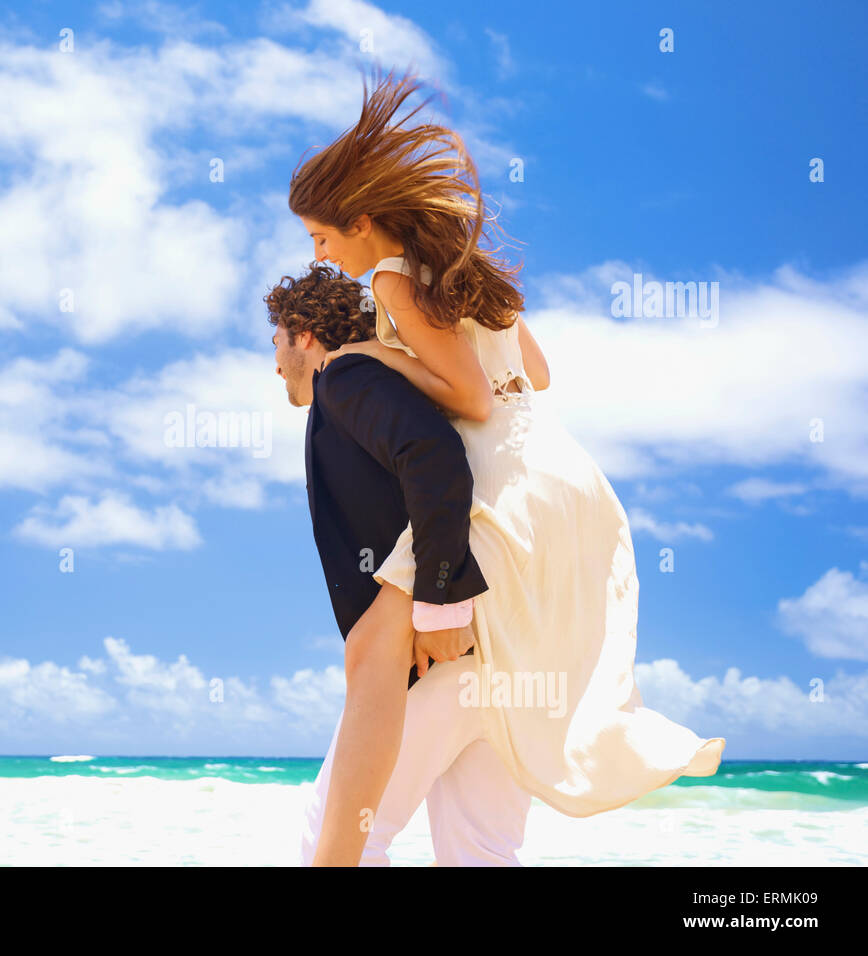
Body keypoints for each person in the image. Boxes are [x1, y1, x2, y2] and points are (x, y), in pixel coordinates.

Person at [284, 66, 725, 866]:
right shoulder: (467, 275)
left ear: (359, 220)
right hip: (565, 474)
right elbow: (537, 376)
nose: (322, 255)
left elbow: (471, 398)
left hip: (504, 477)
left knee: (352, 803)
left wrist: (372, 352)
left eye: (321, 238)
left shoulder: (391, 280)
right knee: (485, 836)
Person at [266, 261, 534, 866]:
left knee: (340, 843)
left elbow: (434, 459)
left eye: (277, 343)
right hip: (499, 650)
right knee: (482, 852)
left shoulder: (347, 378)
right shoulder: (396, 384)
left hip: (431, 652)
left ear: (304, 333)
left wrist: (440, 602)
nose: (276, 362)